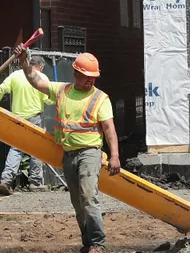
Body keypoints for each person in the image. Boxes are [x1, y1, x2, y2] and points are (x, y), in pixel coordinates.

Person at [19, 48, 120, 253]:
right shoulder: (62, 90)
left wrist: (115, 156)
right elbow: (35, 80)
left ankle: (98, 244)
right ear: (76, 74)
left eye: (93, 77)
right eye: (86, 77)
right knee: (77, 201)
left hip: (90, 152)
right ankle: (87, 242)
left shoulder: (100, 99)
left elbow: (109, 129)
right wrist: (23, 61)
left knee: (88, 196)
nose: (90, 81)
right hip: (68, 154)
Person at [0, 54, 55, 195]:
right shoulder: (41, 77)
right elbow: (48, 100)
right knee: (37, 149)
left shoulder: (15, 75)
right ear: (40, 66)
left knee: (16, 149)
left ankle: (6, 180)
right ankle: (35, 182)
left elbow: (0, 90)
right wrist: (57, 97)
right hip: (35, 119)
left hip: (18, 119)